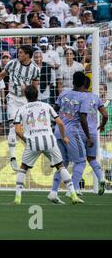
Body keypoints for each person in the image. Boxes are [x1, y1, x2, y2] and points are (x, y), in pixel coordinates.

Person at [12, 85, 82, 205]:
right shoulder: (46, 106)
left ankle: (18, 198)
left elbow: (17, 131)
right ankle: (73, 194)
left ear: (25, 96)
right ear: (37, 94)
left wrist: (26, 140)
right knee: (60, 166)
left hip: (33, 142)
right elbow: (60, 123)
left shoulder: (21, 109)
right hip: (49, 140)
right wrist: (64, 136)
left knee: (23, 168)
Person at [0, 45, 40, 171]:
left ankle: (30, 153)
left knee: (27, 129)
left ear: (28, 55)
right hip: (13, 98)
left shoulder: (35, 69)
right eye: (18, 52)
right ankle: (12, 156)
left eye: (21, 53)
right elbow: (1, 75)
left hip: (26, 100)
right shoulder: (12, 64)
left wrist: (29, 92)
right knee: (13, 126)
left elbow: (35, 88)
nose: (18, 54)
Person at [49, 72, 91, 203]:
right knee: (81, 161)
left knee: (62, 164)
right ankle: (71, 190)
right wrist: (89, 137)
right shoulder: (84, 97)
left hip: (58, 132)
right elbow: (83, 118)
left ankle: (53, 192)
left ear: (72, 81)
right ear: (84, 83)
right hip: (72, 133)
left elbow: (54, 109)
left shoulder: (64, 94)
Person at [81, 76, 108, 195]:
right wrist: (102, 126)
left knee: (79, 160)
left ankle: (75, 189)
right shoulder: (95, 97)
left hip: (81, 132)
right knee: (91, 158)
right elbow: (106, 115)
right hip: (93, 132)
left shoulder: (78, 97)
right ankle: (101, 178)